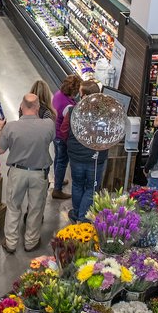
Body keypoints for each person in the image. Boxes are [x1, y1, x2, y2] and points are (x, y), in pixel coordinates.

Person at [0, 93, 55, 253]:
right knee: (36, 208)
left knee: (14, 207)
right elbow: (50, 140)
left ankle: (11, 243)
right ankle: (31, 242)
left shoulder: (11, 127)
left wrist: (0, 128)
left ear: (21, 107)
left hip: (17, 172)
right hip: (39, 173)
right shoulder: (49, 125)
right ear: (38, 108)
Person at [66, 82, 108, 223]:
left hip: (76, 157)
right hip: (96, 158)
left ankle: (78, 213)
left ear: (83, 95)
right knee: (91, 188)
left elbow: (63, 131)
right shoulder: (105, 114)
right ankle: (83, 218)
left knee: (77, 184)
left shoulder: (72, 111)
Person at [51, 74, 82, 200]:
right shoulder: (68, 107)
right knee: (62, 162)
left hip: (54, 132)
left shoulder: (58, 94)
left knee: (57, 158)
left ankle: (58, 179)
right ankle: (57, 189)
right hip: (62, 137)